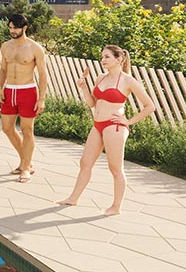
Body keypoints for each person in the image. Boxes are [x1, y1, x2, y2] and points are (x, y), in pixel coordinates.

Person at [57, 44, 156, 215]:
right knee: (85, 162)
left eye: (107, 57)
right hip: (98, 124)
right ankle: (73, 198)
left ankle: (116, 207)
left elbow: (150, 106)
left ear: (119, 59)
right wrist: (84, 87)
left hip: (114, 126)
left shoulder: (128, 81)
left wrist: (128, 121)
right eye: (102, 56)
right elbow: (92, 103)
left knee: (115, 168)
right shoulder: (100, 78)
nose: (103, 60)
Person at [0, 13, 48, 182]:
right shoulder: (5, 46)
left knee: (27, 130)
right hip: (10, 91)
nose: (12, 31)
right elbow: (3, 69)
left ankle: (25, 168)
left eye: (16, 28)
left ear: (24, 28)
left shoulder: (35, 48)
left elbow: (42, 74)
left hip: (28, 91)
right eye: (10, 27)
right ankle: (27, 161)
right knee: (7, 128)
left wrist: (41, 98)